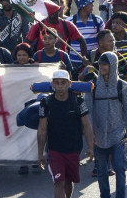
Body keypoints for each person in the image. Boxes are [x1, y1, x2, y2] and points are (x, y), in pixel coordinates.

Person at [38, 69, 96, 198]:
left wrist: (91, 147)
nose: (60, 87)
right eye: (57, 83)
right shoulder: (46, 103)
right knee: (59, 182)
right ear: (52, 84)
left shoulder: (78, 102)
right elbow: (42, 129)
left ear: (69, 83)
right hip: (54, 150)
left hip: (74, 149)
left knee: (69, 181)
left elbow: (86, 125)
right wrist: (40, 152)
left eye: (63, 83)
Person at [88, 51, 127, 198]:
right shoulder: (92, 87)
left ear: (113, 65)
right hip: (99, 136)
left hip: (118, 135)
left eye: (105, 64)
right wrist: (91, 136)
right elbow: (88, 113)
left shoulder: (123, 86)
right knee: (102, 172)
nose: (102, 66)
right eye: (100, 63)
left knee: (120, 168)